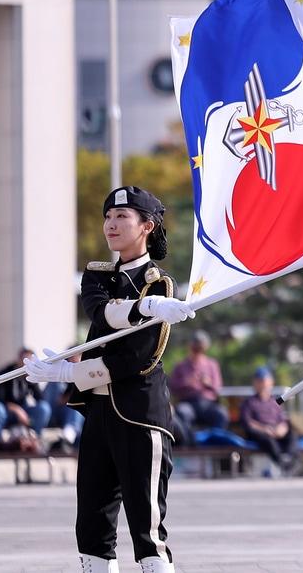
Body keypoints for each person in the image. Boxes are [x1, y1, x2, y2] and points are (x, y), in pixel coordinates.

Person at [24, 186, 194, 573]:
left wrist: (71, 372)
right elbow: (100, 312)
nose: (111, 224)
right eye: (108, 217)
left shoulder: (161, 285)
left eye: (122, 217)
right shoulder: (98, 275)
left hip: (139, 414)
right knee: (92, 526)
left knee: (147, 529)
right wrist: (143, 307)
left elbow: (139, 358)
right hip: (99, 412)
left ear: (147, 226)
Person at [0, 348, 52, 450]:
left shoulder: (29, 374)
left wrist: (33, 379)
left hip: (24, 411)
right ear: (18, 360)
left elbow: (40, 398)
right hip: (6, 412)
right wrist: (17, 410)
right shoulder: (5, 373)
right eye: (25, 361)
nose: (27, 365)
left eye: (31, 362)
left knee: (44, 408)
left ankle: (36, 439)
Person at [240, 367, 299, 475]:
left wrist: (282, 429)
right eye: (260, 382)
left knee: (292, 435)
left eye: (265, 382)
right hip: (261, 434)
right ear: (255, 383)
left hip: (276, 432)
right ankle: (282, 464)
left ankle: (290, 460)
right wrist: (264, 429)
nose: (263, 385)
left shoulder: (274, 402)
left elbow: (283, 420)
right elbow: (247, 422)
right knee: (268, 440)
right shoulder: (249, 403)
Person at [168, 331, 230, 430]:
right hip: (188, 402)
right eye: (195, 347)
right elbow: (172, 387)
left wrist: (208, 384)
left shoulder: (212, 365)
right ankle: (188, 439)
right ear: (190, 347)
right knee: (182, 412)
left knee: (221, 413)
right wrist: (186, 383)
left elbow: (218, 388)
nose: (197, 350)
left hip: (208, 404)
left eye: (200, 348)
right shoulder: (180, 366)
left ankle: (215, 437)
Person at [43, 349, 86, 454]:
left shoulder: (84, 374)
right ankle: (69, 433)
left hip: (73, 416)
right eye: (70, 357)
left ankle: (69, 434)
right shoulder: (62, 375)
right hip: (53, 413)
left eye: (75, 357)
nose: (72, 360)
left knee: (76, 406)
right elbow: (59, 401)